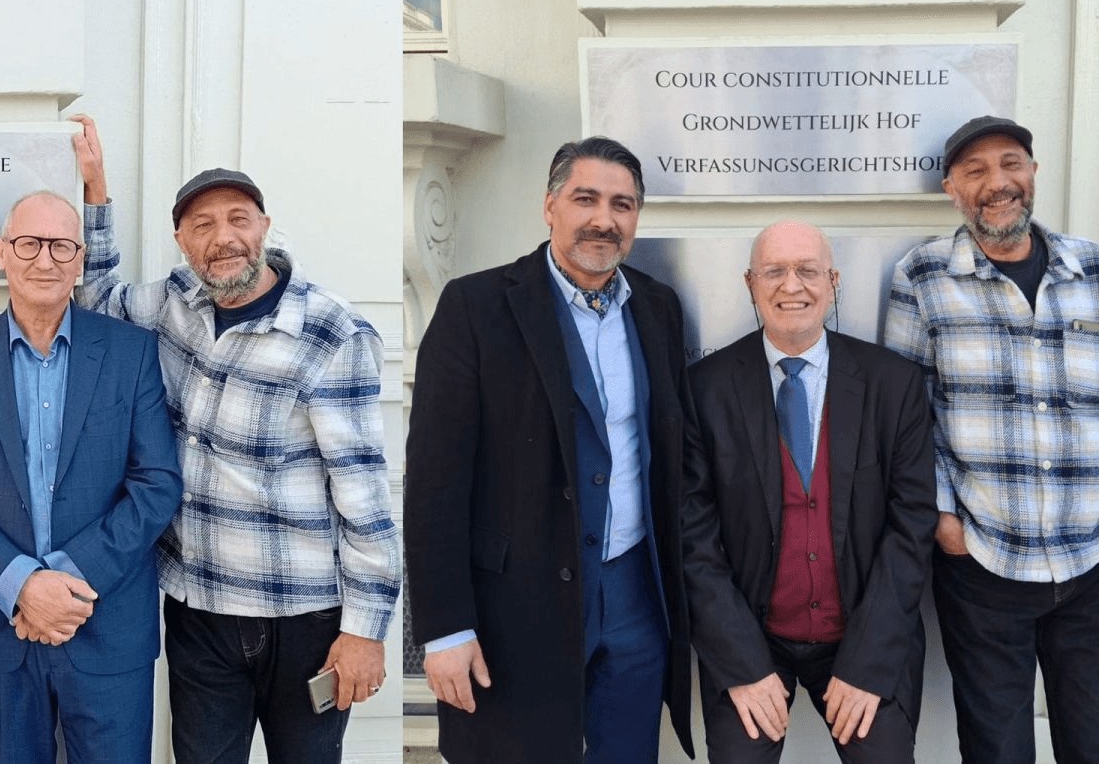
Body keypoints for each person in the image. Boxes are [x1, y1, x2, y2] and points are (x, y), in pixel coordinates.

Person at [70, 115, 400, 763]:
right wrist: (95, 192)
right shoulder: (174, 303)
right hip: (200, 611)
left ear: (264, 227)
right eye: (203, 225)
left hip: (306, 622)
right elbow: (94, 302)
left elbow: (365, 499)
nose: (224, 238)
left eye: (238, 218)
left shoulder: (332, 333)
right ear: (183, 242)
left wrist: (365, 633)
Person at [405, 136, 695, 763]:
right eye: (585, 198)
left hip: (634, 598)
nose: (604, 219)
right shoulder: (475, 307)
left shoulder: (658, 309)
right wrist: (444, 629)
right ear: (550, 206)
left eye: (622, 204)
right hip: (516, 606)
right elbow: (434, 482)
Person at [0, 188, 183, 763]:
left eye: (62, 246)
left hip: (105, 620)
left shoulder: (132, 354)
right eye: (29, 243)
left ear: (81, 259)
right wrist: (22, 585)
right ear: (2, 252)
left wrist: (67, 580)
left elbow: (156, 482)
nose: (45, 260)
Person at [885, 115, 1099, 764]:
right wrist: (945, 519)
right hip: (984, 562)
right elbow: (905, 414)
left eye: (1011, 163)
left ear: (1032, 173)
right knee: (997, 748)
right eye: (975, 171)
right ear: (952, 188)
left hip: (1089, 556)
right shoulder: (922, 276)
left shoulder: (1091, 267)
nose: (996, 183)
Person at [682, 220, 938, 763]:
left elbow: (912, 528)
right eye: (774, 271)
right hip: (752, 637)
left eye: (807, 270)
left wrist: (868, 664)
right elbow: (693, 540)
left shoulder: (893, 385)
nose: (791, 286)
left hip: (862, 633)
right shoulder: (705, 390)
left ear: (834, 280)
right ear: (750, 283)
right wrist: (744, 667)